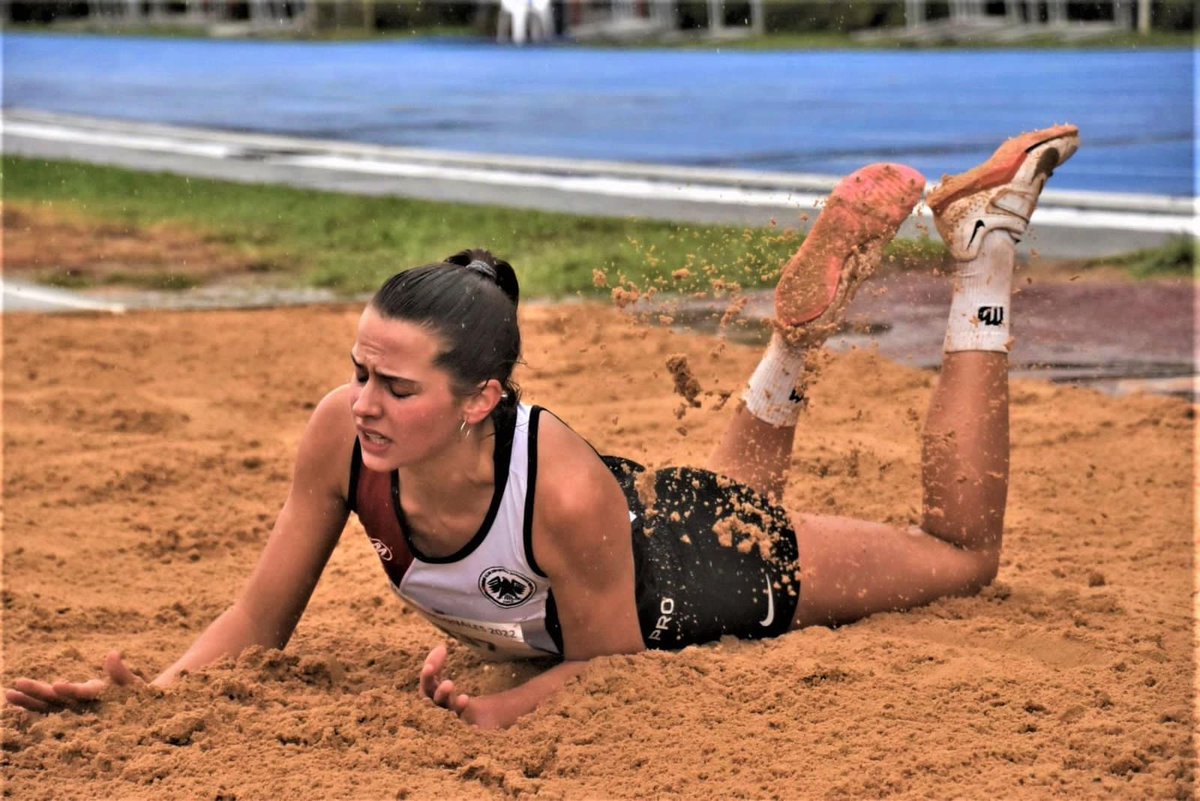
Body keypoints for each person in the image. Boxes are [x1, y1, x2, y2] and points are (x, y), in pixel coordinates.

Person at [5, 125, 1080, 730]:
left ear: (481, 398)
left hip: (684, 584)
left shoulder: (551, 485)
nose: (363, 404)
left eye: (396, 387)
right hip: (621, 525)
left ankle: (982, 250)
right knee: (729, 503)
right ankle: (791, 351)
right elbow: (257, 614)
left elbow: (613, 673)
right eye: (358, 372)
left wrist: (501, 712)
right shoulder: (344, 434)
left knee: (961, 556)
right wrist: (147, 702)